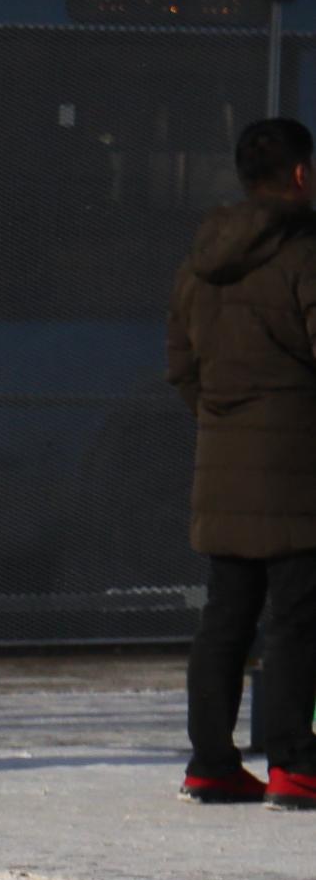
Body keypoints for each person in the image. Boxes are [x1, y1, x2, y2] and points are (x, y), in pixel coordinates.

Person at [167, 116, 316, 809]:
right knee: (294, 618)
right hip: (297, 464)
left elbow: (180, 364)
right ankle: (293, 763)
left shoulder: (201, 259)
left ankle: (210, 762)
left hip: (220, 460)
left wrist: (221, 418)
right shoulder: (303, 251)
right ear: (298, 174)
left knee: (224, 616)